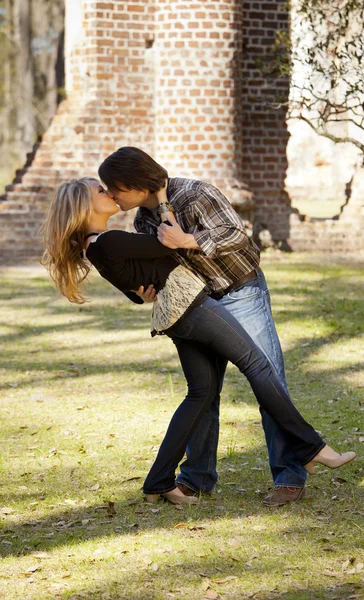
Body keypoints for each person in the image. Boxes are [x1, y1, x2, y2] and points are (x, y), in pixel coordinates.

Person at [41, 176, 356, 505]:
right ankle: (311, 447)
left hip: (175, 315)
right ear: (83, 205)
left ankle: (159, 482)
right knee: (257, 364)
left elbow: (136, 293)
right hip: (192, 308)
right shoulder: (109, 242)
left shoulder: (101, 245)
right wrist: (164, 202)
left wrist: (144, 289)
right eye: (100, 190)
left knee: (200, 393)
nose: (110, 193)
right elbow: (169, 243)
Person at [98, 147, 309, 506]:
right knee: (205, 391)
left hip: (241, 291)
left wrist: (189, 240)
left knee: (268, 378)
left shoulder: (196, 193)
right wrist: (145, 292)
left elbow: (238, 237)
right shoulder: (143, 221)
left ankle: (289, 474)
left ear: (135, 182)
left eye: (114, 187)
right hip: (201, 305)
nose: (111, 195)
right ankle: (196, 478)